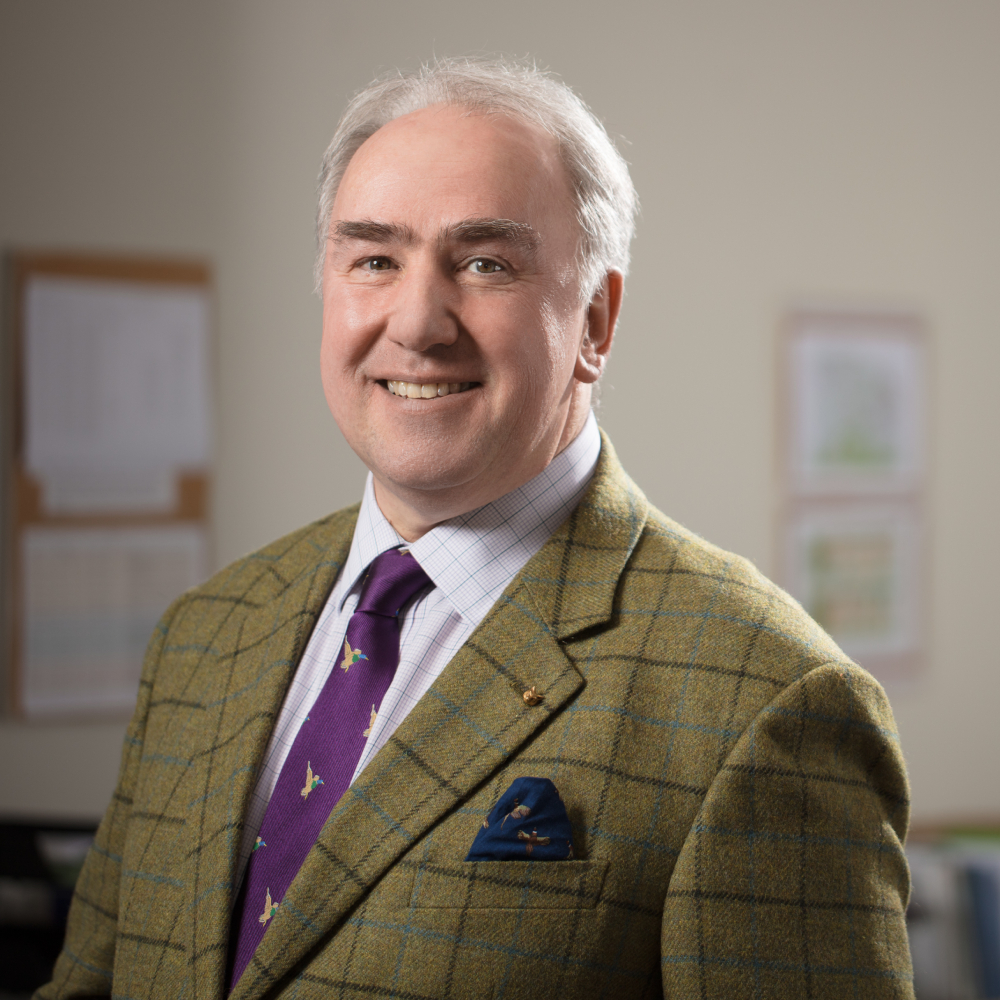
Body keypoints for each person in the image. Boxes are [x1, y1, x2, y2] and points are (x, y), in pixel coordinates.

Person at [38, 58, 914, 1000]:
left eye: (485, 263)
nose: (417, 322)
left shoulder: (768, 701)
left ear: (595, 321)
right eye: (374, 258)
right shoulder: (206, 634)